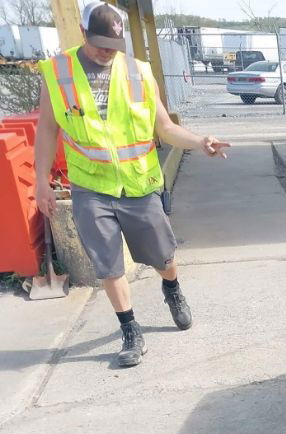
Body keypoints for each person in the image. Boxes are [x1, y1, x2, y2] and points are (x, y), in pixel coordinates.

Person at [33, 1, 230, 367]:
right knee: (108, 264)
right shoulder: (57, 73)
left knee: (163, 257)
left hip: (139, 185)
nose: (107, 51)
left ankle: (171, 288)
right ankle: (130, 331)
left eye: (113, 44)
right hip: (90, 187)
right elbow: (47, 129)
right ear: (82, 33)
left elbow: (165, 128)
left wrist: (200, 141)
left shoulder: (139, 72)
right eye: (99, 43)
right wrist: (40, 181)